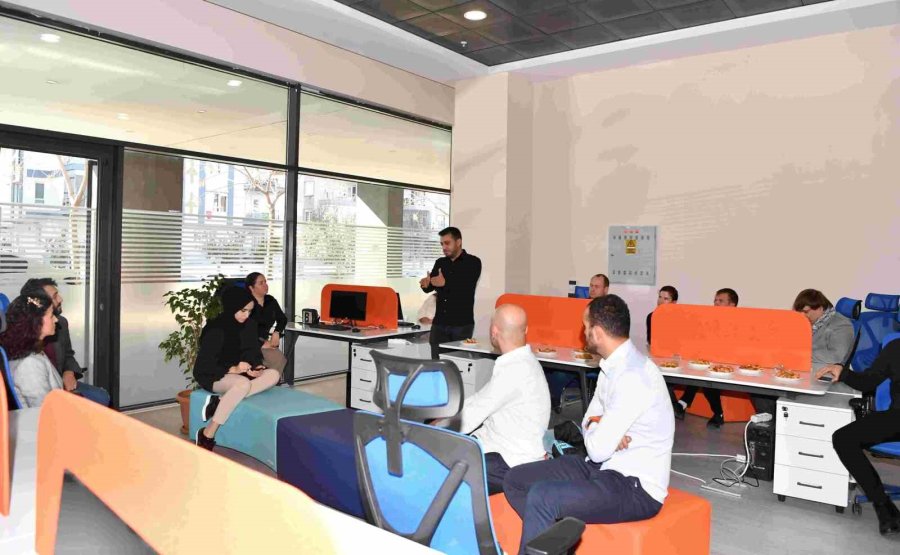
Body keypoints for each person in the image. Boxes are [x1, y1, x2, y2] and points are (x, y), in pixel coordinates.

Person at [503, 295, 674, 554]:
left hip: (634, 486)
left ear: (597, 332)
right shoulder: (612, 365)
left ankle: (545, 541)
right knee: (515, 479)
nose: (583, 333)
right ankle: (553, 543)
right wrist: (601, 425)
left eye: (585, 327)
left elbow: (597, 448)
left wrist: (600, 428)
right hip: (600, 467)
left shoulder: (633, 375)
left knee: (542, 496)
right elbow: (588, 420)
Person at [452, 304, 550, 494]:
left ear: (494, 331)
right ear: (526, 330)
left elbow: (470, 416)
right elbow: (481, 399)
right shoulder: (523, 362)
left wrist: (433, 428)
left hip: (511, 462)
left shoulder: (514, 370)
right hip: (506, 447)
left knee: (441, 462)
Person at [816, 340, 900, 535]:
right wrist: (843, 372)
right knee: (843, 438)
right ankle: (883, 505)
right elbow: (867, 381)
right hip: (897, 417)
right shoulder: (896, 347)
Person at [194, 287, 281, 451]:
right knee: (242, 384)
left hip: (240, 375)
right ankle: (207, 434)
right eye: (243, 310)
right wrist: (233, 368)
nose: (246, 315)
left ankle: (220, 401)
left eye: (249, 311)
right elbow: (205, 365)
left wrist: (255, 367)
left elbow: (252, 352)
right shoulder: (215, 328)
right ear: (232, 306)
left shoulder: (249, 325)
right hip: (213, 375)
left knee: (273, 375)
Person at [19, 277, 110, 407]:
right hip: (46, 391)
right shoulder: (27, 356)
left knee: (103, 397)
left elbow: (68, 354)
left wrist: (69, 372)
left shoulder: (61, 322)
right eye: (55, 296)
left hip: (60, 381)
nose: (60, 299)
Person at [674, 288, 738, 427]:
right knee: (700, 371)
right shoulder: (710, 320)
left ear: (732, 305)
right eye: (715, 300)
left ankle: (683, 403)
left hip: (730, 363)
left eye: (720, 301)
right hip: (711, 361)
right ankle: (716, 414)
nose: (716, 303)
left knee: (706, 375)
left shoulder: (738, 323)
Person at [420, 227, 481, 359]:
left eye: (447, 243)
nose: (444, 247)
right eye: (442, 244)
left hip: (461, 325)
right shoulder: (440, 263)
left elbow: (466, 287)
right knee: (437, 364)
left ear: (458, 242)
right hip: (439, 324)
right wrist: (426, 284)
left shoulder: (473, 262)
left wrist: (445, 283)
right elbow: (431, 285)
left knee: (458, 364)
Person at [0, 291, 62, 407]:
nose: (56, 320)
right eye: (51, 315)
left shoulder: (32, 350)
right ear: (36, 323)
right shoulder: (29, 364)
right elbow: (44, 409)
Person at [793, 289, 854, 371]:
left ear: (820, 308)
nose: (802, 315)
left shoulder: (841, 324)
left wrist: (801, 353)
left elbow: (836, 356)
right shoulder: (811, 322)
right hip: (807, 367)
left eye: (806, 312)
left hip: (826, 372)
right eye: (799, 312)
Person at [245, 272, 288, 373]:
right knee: (277, 360)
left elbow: (282, 319)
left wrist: (276, 332)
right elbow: (241, 329)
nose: (265, 285)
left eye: (265, 282)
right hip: (248, 342)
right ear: (251, 288)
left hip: (264, 340)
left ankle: (267, 380)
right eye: (261, 283)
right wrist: (261, 343)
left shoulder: (270, 300)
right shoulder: (245, 303)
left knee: (279, 360)